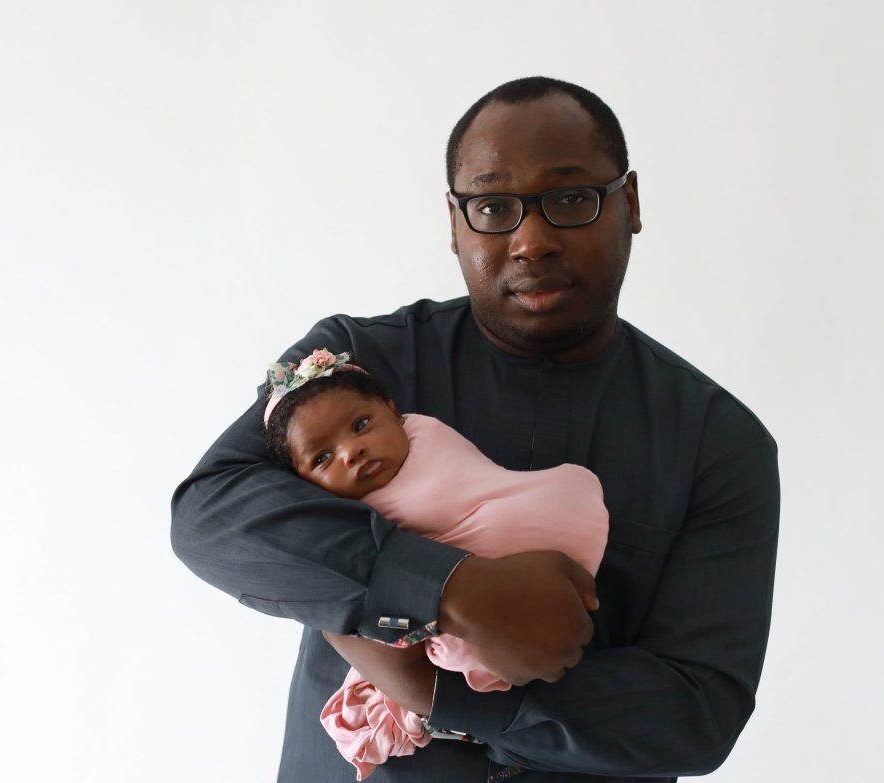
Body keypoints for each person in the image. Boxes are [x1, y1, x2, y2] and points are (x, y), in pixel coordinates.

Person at [171, 76, 781, 783]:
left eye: (571, 199)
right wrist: (448, 587)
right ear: (455, 223)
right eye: (493, 206)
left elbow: (696, 713)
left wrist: (437, 691)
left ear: (630, 203)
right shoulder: (352, 366)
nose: (532, 240)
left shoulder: (718, 442)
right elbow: (213, 514)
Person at [260, 348, 608, 779]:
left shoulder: (426, 433)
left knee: (563, 494)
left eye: (361, 425)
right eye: (322, 458)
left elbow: (460, 486)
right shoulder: (338, 517)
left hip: (515, 516)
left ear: (393, 410)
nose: (351, 451)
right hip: (484, 615)